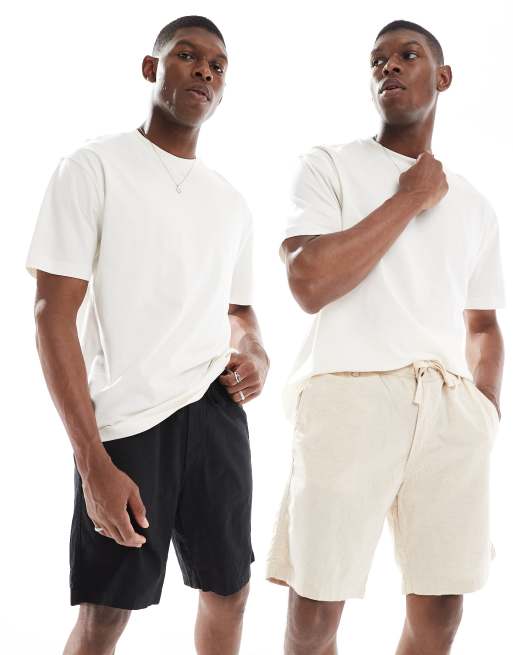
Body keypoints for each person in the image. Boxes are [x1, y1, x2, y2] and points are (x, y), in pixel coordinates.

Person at [25, 15, 269, 655]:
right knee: (106, 614)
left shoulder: (231, 202)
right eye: (187, 56)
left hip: (215, 413)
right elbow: (52, 314)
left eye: (217, 66)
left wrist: (255, 350)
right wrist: (92, 462)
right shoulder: (93, 167)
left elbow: (240, 310)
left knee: (230, 591)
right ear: (151, 68)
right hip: (128, 423)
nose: (204, 71)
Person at [266, 19, 505, 655]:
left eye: (408, 55)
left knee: (441, 613)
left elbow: (483, 324)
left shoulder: (476, 206)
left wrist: (485, 410)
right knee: (314, 613)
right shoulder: (329, 166)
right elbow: (308, 282)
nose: (389, 67)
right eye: (377, 60)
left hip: (449, 410)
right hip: (349, 396)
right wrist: (409, 199)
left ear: (443, 77)